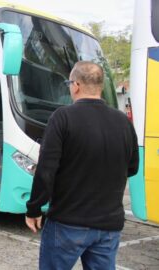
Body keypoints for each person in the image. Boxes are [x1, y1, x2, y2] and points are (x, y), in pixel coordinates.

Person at [25, 61, 139, 270]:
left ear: (76, 85)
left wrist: (34, 208)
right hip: (109, 226)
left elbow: (46, 170)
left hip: (67, 222)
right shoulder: (123, 121)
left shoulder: (62, 117)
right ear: (101, 86)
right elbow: (132, 167)